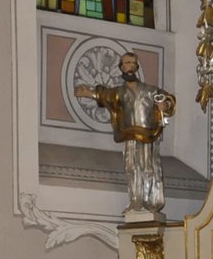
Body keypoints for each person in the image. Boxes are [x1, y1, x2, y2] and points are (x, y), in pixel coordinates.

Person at [75, 51, 176, 218]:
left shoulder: (150, 90)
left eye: (132, 63)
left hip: (148, 134)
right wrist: (89, 93)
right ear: (121, 67)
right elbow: (105, 95)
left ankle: (151, 202)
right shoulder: (119, 92)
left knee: (148, 167)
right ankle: (136, 202)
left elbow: (168, 100)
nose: (130, 66)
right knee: (131, 167)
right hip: (129, 135)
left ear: (136, 67)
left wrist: (165, 105)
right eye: (126, 63)